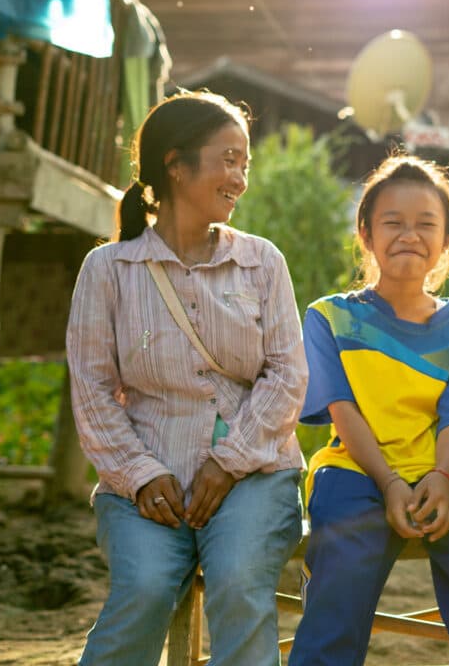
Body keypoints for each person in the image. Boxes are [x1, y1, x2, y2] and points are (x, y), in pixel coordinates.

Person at [66, 90, 307, 666]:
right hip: (144, 485)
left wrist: (229, 462)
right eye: (228, 159)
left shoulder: (262, 262)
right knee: (145, 589)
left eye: (244, 164)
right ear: (176, 165)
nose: (240, 179)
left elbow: (287, 374)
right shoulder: (109, 270)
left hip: (254, 475)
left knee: (239, 582)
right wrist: (142, 475)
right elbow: (93, 390)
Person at [288, 154, 449, 666]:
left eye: (426, 224)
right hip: (358, 467)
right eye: (392, 223)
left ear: (447, 240)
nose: (409, 234)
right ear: (366, 233)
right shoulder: (329, 317)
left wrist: (443, 478)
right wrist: (389, 483)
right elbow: (343, 410)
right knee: (343, 561)